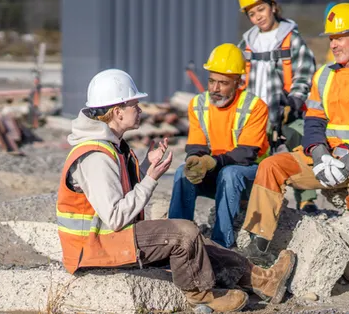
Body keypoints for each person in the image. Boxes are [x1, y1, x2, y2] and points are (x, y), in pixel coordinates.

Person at [56, 68, 295, 312]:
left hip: (108, 240)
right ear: (117, 112)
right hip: (96, 249)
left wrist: (149, 165)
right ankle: (199, 295)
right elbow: (116, 217)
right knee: (185, 233)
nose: (140, 109)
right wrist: (151, 178)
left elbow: (119, 196)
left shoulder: (112, 147)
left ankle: (264, 281)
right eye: (134, 104)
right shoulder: (95, 156)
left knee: (199, 240)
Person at [238, 2, 349, 264]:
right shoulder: (324, 75)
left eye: (340, 37)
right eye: (331, 38)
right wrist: (318, 153)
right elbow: (314, 121)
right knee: (271, 167)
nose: (334, 45)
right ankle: (257, 246)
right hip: (328, 159)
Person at [168, 43, 269, 249]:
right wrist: (196, 160)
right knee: (182, 172)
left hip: (251, 180)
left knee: (230, 173)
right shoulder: (198, 104)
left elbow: (246, 154)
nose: (215, 89)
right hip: (218, 171)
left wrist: (212, 161)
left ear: (238, 82)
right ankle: (176, 240)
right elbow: (196, 144)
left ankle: (221, 244)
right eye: (212, 81)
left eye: (223, 83)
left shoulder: (255, 107)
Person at [237, 0, 319, 213]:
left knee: (301, 140)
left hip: (286, 109)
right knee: (253, 152)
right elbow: (240, 78)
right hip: (256, 113)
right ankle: (255, 200)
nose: (258, 17)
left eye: (261, 9)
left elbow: (305, 75)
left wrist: (293, 101)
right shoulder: (246, 43)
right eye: (252, 14)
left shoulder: (291, 39)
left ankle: (307, 197)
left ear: (273, 6)